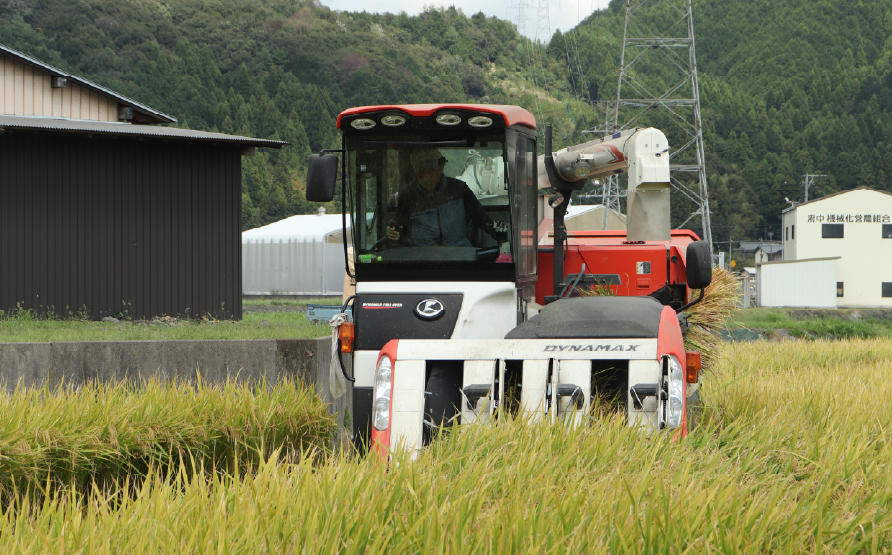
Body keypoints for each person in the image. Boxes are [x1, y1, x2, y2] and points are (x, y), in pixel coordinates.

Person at [386, 148, 507, 247]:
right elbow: (399, 226)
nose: (426, 178)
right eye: (421, 173)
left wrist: (493, 227)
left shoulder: (459, 189)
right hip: (422, 258)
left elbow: (481, 218)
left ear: (441, 167)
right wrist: (392, 232)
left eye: (430, 171)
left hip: (459, 256)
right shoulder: (408, 194)